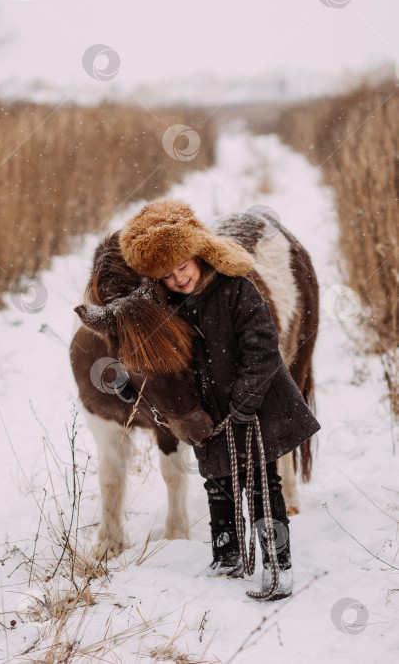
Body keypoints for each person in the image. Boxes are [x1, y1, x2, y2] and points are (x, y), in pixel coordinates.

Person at [119, 198, 321, 600]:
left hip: (255, 407)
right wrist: (134, 386)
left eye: (183, 266)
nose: (179, 278)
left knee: (264, 488)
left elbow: (263, 347)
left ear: (198, 254)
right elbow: (162, 361)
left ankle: (278, 568)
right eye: (167, 274)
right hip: (211, 415)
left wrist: (245, 402)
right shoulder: (165, 308)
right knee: (219, 486)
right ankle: (226, 556)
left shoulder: (235, 289)